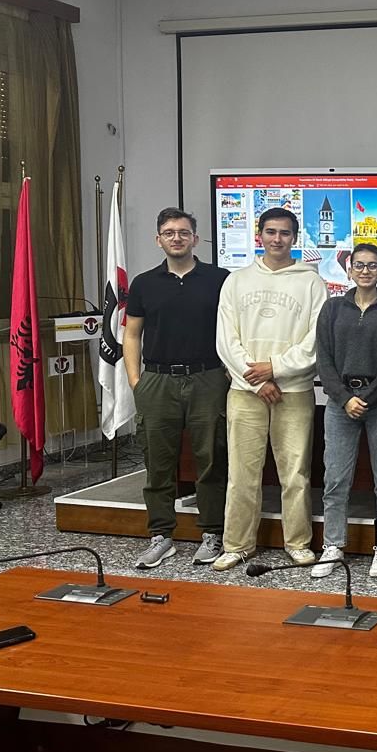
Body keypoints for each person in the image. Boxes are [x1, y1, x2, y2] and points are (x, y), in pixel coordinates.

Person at [213, 207, 328, 572]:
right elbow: (225, 339)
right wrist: (259, 379)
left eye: (285, 233)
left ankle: (298, 543)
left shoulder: (312, 283)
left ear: (295, 238)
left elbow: (316, 341)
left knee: (295, 474)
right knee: (241, 474)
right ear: (258, 234)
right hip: (245, 391)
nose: (278, 239)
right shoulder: (236, 280)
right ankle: (237, 545)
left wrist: (276, 369)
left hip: (293, 391)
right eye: (271, 232)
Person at [124, 208, 230, 568]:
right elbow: (132, 334)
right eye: (169, 233)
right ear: (159, 240)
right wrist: (136, 382)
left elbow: (233, 329)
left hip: (208, 378)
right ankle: (161, 536)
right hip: (157, 380)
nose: (177, 238)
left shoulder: (219, 279)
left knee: (211, 460)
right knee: (158, 462)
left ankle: (213, 533)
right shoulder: (144, 283)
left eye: (184, 232)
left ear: (195, 239)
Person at [311, 244, 377, 580]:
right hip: (340, 403)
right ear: (349, 270)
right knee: (335, 478)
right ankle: (333, 545)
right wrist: (345, 398)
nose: (365, 271)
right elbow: (324, 358)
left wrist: (369, 396)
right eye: (359, 265)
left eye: (372, 265)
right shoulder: (333, 308)